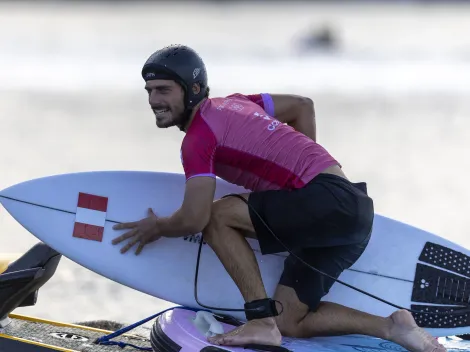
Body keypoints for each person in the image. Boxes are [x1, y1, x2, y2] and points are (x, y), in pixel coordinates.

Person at [111, 44, 446, 352]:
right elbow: (303, 106)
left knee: (217, 216)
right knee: (291, 320)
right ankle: (393, 327)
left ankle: (259, 320)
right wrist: (296, 178)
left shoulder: (199, 139)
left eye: (164, 90)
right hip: (352, 209)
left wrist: (157, 226)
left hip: (327, 202)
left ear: (194, 89)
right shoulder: (240, 103)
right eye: (150, 91)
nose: (154, 101)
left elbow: (196, 218)